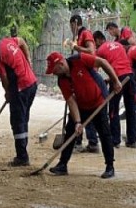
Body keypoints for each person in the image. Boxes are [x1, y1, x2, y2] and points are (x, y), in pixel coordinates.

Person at [45, 51, 122, 179]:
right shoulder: (62, 81)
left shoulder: (80, 59)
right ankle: (62, 165)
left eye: (54, 70)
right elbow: (71, 101)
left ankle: (110, 166)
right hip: (81, 105)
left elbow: (103, 62)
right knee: (70, 131)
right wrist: (78, 122)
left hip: (99, 101)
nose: (53, 73)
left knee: (104, 133)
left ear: (61, 63)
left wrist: (115, 81)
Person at [0, 31, 37, 167]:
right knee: (23, 119)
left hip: (21, 88)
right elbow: (22, 40)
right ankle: (23, 152)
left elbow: (4, 78)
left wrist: (8, 93)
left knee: (17, 121)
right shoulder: (8, 41)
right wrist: (28, 60)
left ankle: (22, 157)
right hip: (32, 85)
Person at [93, 31, 136, 148]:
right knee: (130, 109)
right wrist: (109, 79)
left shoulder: (100, 50)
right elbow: (121, 63)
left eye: (94, 42)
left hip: (118, 79)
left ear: (98, 40)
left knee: (113, 109)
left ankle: (115, 139)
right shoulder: (118, 44)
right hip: (129, 76)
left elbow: (95, 69)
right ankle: (132, 140)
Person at [66, 14, 99, 153]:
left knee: (85, 108)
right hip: (81, 74)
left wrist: (76, 48)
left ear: (74, 24)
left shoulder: (85, 33)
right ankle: (84, 141)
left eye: (71, 26)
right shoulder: (79, 36)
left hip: (88, 74)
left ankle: (88, 141)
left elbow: (91, 51)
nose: (71, 29)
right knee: (81, 108)